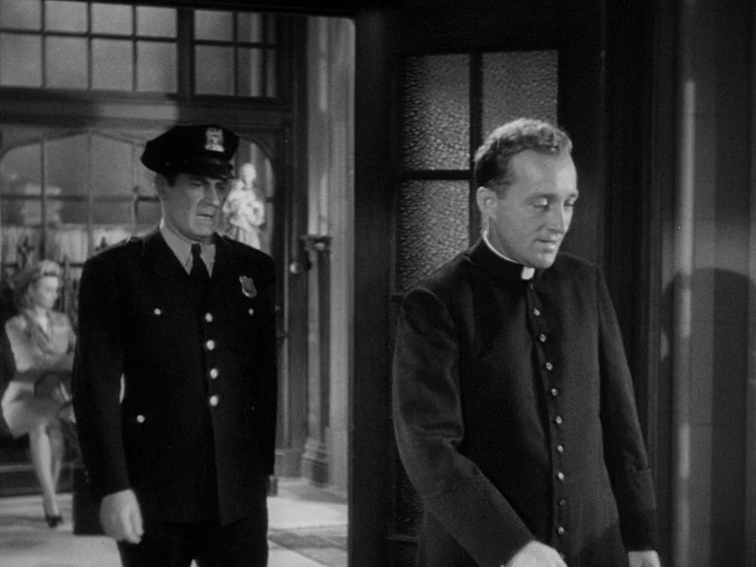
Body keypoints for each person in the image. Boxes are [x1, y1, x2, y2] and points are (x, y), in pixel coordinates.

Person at [392, 118, 662, 568]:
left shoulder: (585, 284)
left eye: (568, 203)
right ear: (489, 202)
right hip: (480, 553)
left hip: (594, 549)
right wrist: (511, 547)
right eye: (540, 203)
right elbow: (428, 448)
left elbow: (621, 425)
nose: (559, 223)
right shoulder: (436, 302)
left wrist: (640, 537)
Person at [73, 124, 278, 567]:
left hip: (237, 494)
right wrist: (112, 486)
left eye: (220, 186)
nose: (213, 199)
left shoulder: (254, 269)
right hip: (154, 490)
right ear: (162, 187)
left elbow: (263, 380)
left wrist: (262, 470)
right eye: (197, 184)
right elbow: (95, 389)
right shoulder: (116, 272)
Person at [1, 260, 76, 528]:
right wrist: (68, 361)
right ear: (30, 291)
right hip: (25, 391)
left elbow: (79, 353)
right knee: (40, 425)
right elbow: (31, 362)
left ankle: (49, 496)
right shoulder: (16, 324)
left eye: (56, 290)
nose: (54, 295)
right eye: (47, 289)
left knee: (55, 429)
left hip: (57, 389)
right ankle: (50, 499)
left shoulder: (63, 321)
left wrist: (68, 363)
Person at [223, 162, 268, 252]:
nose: (246, 177)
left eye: (249, 174)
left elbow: (261, 217)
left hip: (251, 230)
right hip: (236, 229)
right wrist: (235, 194)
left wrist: (257, 207)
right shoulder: (236, 191)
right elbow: (226, 209)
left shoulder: (257, 193)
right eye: (244, 174)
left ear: (253, 176)